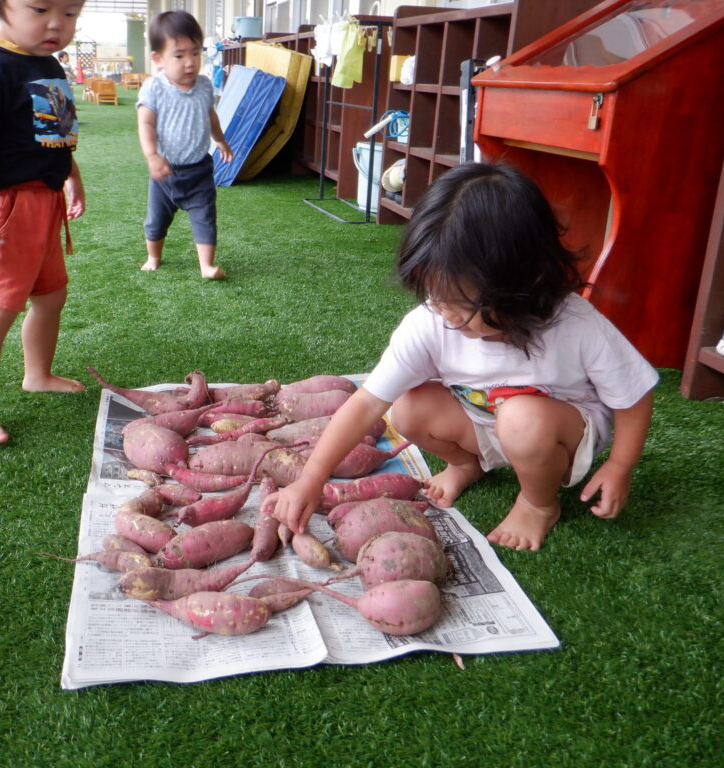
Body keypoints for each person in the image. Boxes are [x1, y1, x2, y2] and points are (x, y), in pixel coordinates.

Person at [265, 163, 659, 552]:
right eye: (435, 296)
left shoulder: (575, 324)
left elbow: (634, 394)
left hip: (560, 437)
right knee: (407, 408)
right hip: (485, 424)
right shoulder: (433, 322)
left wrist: (620, 465)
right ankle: (468, 465)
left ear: (523, 283)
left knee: (522, 419)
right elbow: (368, 402)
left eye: (462, 304)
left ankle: (538, 503)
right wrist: (312, 478)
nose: (447, 315)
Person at [0, 0, 86, 443]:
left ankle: (37, 373)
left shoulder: (49, 64)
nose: (56, 23)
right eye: (41, 8)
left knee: (51, 296)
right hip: (6, 208)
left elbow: (59, 134)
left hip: (45, 202)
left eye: (70, 12)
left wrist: (71, 177)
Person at [136, 10, 233, 279]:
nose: (189, 62)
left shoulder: (203, 86)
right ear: (158, 59)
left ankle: (206, 266)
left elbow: (210, 115)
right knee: (156, 221)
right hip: (165, 174)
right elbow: (145, 124)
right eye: (179, 55)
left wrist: (221, 140)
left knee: (205, 218)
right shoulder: (153, 88)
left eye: (195, 53)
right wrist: (152, 155)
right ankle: (153, 256)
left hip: (199, 170)